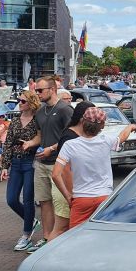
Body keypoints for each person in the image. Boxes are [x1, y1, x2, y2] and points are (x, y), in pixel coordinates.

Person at [52, 107, 136, 228]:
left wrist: (67, 196)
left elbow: (55, 175)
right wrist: (130, 127)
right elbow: (122, 137)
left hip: (81, 198)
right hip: (104, 196)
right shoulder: (106, 141)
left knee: (76, 237)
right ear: (102, 126)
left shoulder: (69, 145)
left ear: (82, 122)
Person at [24, 76, 73, 253]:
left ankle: (59, 237)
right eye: (36, 90)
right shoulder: (40, 111)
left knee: (60, 202)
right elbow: (39, 135)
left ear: (52, 90)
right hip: (41, 162)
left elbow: (70, 137)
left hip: (58, 164)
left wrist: (51, 149)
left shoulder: (64, 109)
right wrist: (31, 143)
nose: (37, 94)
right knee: (44, 200)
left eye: (40, 90)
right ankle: (46, 237)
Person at [0, 91, 42, 251]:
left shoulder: (38, 120)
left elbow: (41, 139)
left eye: (23, 101)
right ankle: (31, 221)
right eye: (19, 100)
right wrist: (5, 165)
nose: (20, 103)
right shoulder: (15, 121)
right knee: (11, 199)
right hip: (16, 163)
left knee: (29, 199)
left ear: (31, 103)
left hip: (30, 162)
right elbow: (8, 143)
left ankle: (26, 235)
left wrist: (32, 144)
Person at [48, 101, 94, 241]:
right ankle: (47, 258)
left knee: (65, 228)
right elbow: (65, 171)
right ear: (82, 119)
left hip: (69, 188)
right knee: (60, 228)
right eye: (90, 117)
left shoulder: (74, 134)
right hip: (66, 189)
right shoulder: (70, 136)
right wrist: (71, 195)